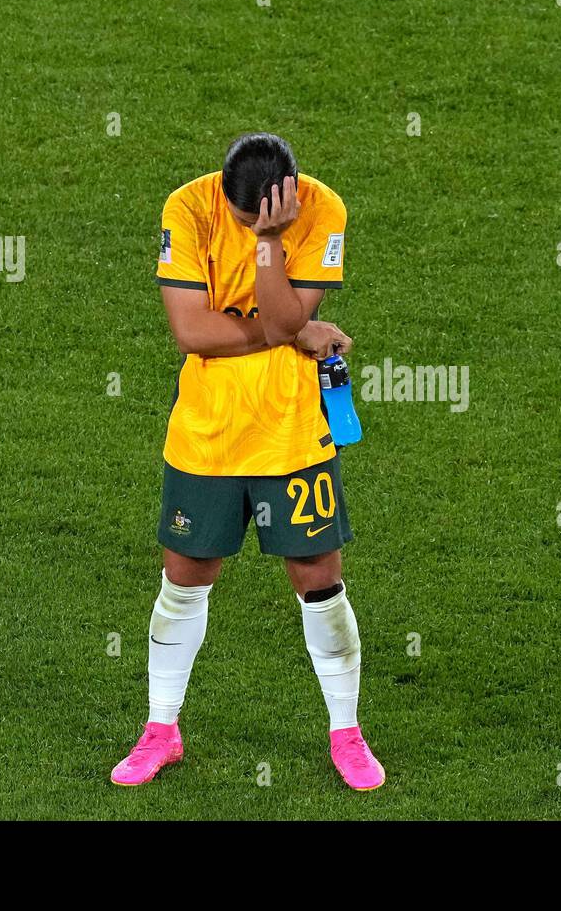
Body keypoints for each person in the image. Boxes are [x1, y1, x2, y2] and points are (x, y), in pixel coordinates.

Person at [111, 132, 384, 791]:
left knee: (318, 579)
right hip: (206, 431)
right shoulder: (189, 206)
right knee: (185, 577)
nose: (245, 227)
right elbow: (191, 330)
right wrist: (284, 333)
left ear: (288, 200)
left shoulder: (323, 210)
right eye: (242, 222)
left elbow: (287, 314)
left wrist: (270, 248)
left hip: (290, 431)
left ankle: (346, 733)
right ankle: (161, 729)